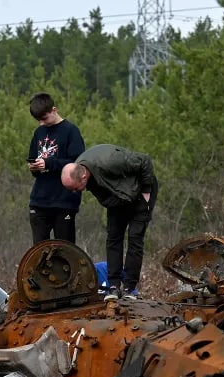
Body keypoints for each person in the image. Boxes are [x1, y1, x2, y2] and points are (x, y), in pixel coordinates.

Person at [61, 144, 157, 300]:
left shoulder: (110, 161)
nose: (75, 192)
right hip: (118, 198)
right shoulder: (79, 168)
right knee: (113, 238)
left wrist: (146, 190)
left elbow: (145, 161)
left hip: (140, 194)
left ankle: (129, 288)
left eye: (75, 188)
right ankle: (113, 286)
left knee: (135, 237)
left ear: (83, 177)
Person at [27, 92, 85, 245]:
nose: (42, 123)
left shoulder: (71, 131)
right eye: (39, 120)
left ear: (54, 110)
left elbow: (77, 164)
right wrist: (34, 167)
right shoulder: (39, 132)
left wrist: (49, 163)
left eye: (44, 118)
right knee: (39, 251)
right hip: (39, 201)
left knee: (65, 250)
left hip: (64, 201)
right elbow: (33, 159)